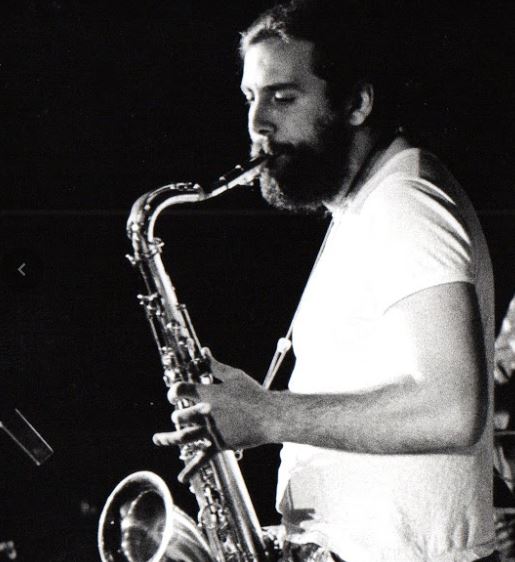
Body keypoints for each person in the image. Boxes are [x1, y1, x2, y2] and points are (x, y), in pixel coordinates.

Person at [154, 1, 497, 560]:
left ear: (356, 103)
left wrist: (265, 414)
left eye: (283, 97)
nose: (258, 124)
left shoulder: (406, 200)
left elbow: (452, 409)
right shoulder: (363, 205)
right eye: (251, 97)